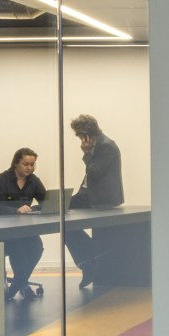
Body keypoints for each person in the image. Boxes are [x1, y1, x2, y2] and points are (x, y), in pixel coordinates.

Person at [65, 114, 124, 295]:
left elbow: (95, 172)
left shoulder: (106, 146)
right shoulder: (100, 144)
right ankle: (89, 258)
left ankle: (88, 260)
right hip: (88, 194)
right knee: (62, 217)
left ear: (85, 134)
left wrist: (86, 153)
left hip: (100, 198)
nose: (79, 140)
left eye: (78, 135)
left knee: (64, 220)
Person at [0, 147, 48, 301]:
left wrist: (33, 208)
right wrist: (16, 210)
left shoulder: (34, 180)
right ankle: (18, 286)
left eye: (32, 164)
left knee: (36, 247)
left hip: (21, 228)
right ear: (16, 163)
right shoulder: (3, 179)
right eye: (25, 164)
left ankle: (18, 284)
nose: (29, 168)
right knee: (19, 249)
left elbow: (46, 202)